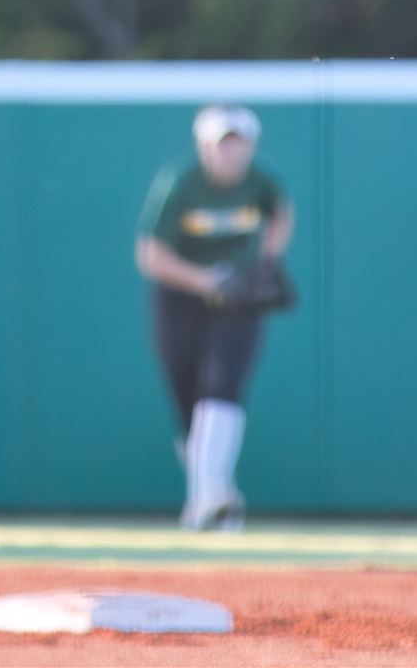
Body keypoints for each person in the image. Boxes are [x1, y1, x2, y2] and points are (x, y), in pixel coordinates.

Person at [134, 103, 295, 531]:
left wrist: (267, 257)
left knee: (221, 386)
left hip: (237, 300)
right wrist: (205, 280)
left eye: (239, 144)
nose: (231, 154)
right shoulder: (181, 184)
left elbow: (281, 211)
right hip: (181, 298)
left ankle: (210, 499)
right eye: (223, 144)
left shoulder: (260, 181)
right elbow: (150, 254)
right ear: (204, 146)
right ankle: (211, 494)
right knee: (187, 400)